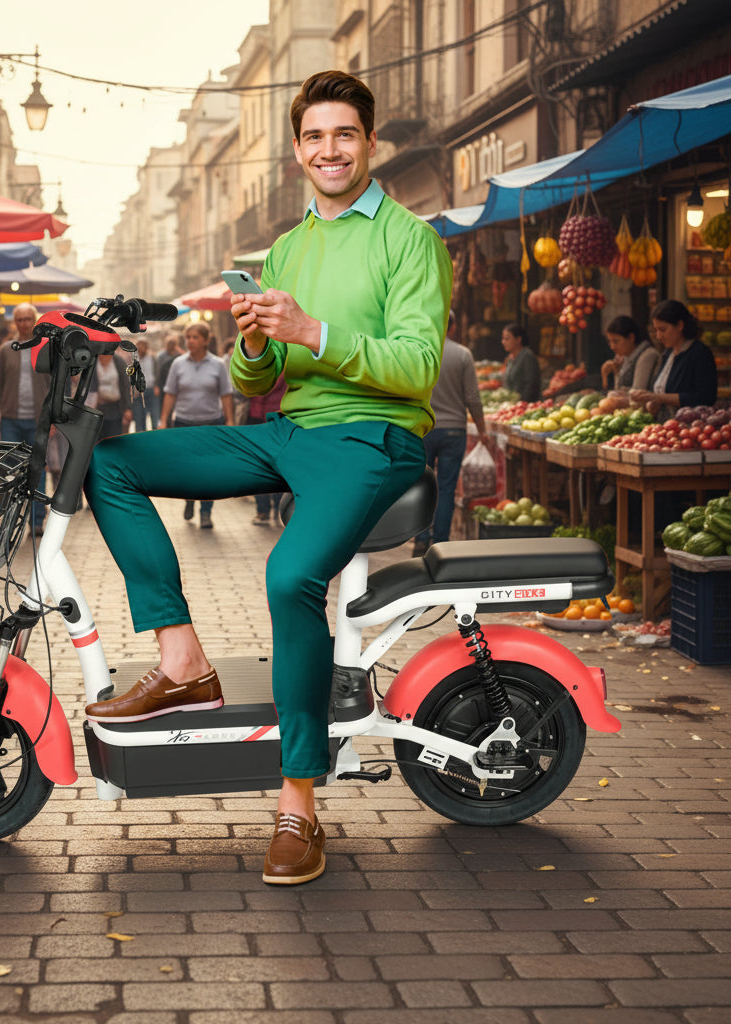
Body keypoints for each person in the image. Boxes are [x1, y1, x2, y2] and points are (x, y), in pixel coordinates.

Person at [83, 70, 451, 885]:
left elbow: (420, 365)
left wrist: (313, 330)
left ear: (369, 143)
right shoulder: (285, 247)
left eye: (345, 134)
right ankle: (182, 662)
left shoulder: (408, 238)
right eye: (315, 136)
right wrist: (254, 342)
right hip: (283, 432)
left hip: (372, 440)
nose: (330, 149)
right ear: (297, 150)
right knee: (109, 463)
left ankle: (298, 801)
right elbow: (257, 383)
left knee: (289, 576)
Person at [412, 310, 490, 554]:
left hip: (423, 429)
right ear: (453, 327)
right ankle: (440, 542)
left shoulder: (418, 352)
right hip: (454, 431)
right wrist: (482, 429)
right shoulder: (463, 354)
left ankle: (421, 538)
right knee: (446, 488)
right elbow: (472, 398)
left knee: (421, 484)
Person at [160, 322, 235, 529]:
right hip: (183, 423)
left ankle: (206, 512)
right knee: (185, 468)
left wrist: (229, 421)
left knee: (208, 471)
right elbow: (170, 393)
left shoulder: (218, 364)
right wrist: (163, 420)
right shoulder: (178, 364)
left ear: (205, 340)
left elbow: (226, 395)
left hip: (211, 423)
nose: (190, 341)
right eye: (187, 337)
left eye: (194, 337)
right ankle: (189, 498)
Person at [0, 303, 50, 533]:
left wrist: (54, 419)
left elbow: (55, 385)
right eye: (19, 319)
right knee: (11, 471)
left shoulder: (46, 348)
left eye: (28, 319)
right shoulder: (6, 350)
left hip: (37, 421)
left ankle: (37, 519)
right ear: (15, 323)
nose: (24, 324)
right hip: (10, 420)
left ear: (35, 321)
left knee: (37, 469)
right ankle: (13, 517)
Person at [629, 300, 716, 419]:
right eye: (656, 330)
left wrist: (659, 398)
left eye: (663, 330)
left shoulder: (699, 353)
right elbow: (661, 391)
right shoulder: (667, 354)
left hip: (690, 428)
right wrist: (653, 403)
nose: (658, 336)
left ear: (680, 325)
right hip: (664, 427)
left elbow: (705, 397)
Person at [246, 375, 287, 524]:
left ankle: (274, 509)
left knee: (275, 467)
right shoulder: (260, 366)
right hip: (259, 419)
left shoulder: (288, 366)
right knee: (261, 466)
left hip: (279, 420)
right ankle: (266, 510)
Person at [601, 315, 660, 392]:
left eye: (616, 341)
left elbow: (637, 392)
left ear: (631, 337)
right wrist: (614, 372)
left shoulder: (648, 355)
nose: (612, 347)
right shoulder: (625, 357)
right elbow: (618, 389)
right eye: (610, 342)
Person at [91, 349, 132, 440]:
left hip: (116, 406)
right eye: (101, 358)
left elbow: (125, 385)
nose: (102, 360)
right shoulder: (93, 363)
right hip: (99, 407)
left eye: (105, 357)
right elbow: (91, 387)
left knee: (114, 437)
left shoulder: (118, 362)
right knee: (99, 438)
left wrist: (127, 408)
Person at [501, 323, 541, 401]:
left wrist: (521, 403)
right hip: (512, 404)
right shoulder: (510, 358)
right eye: (503, 339)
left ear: (518, 339)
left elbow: (531, 384)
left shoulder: (527, 356)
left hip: (525, 405)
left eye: (507, 338)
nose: (503, 342)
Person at [131, 338, 158, 431]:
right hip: (138, 392)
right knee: (139, 420)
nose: (141, 348)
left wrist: (157, 386)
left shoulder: (152, 357)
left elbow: (157, 372)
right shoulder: (133, 360)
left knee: (155, 418)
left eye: (143, 345)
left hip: (151, 390)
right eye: (139, 345)